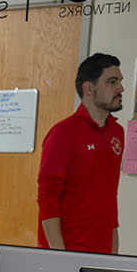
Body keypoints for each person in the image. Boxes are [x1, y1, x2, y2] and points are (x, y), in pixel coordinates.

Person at [37, 53, 126, 254]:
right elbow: (47, 196)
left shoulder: (117, 132)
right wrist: (58, 252)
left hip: (102, 251)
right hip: (66, 250)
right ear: (89, 88)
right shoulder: (63, 133)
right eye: (112, 82)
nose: (121, 88)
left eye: (120, 81)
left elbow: (109, 195)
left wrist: (114, 248)